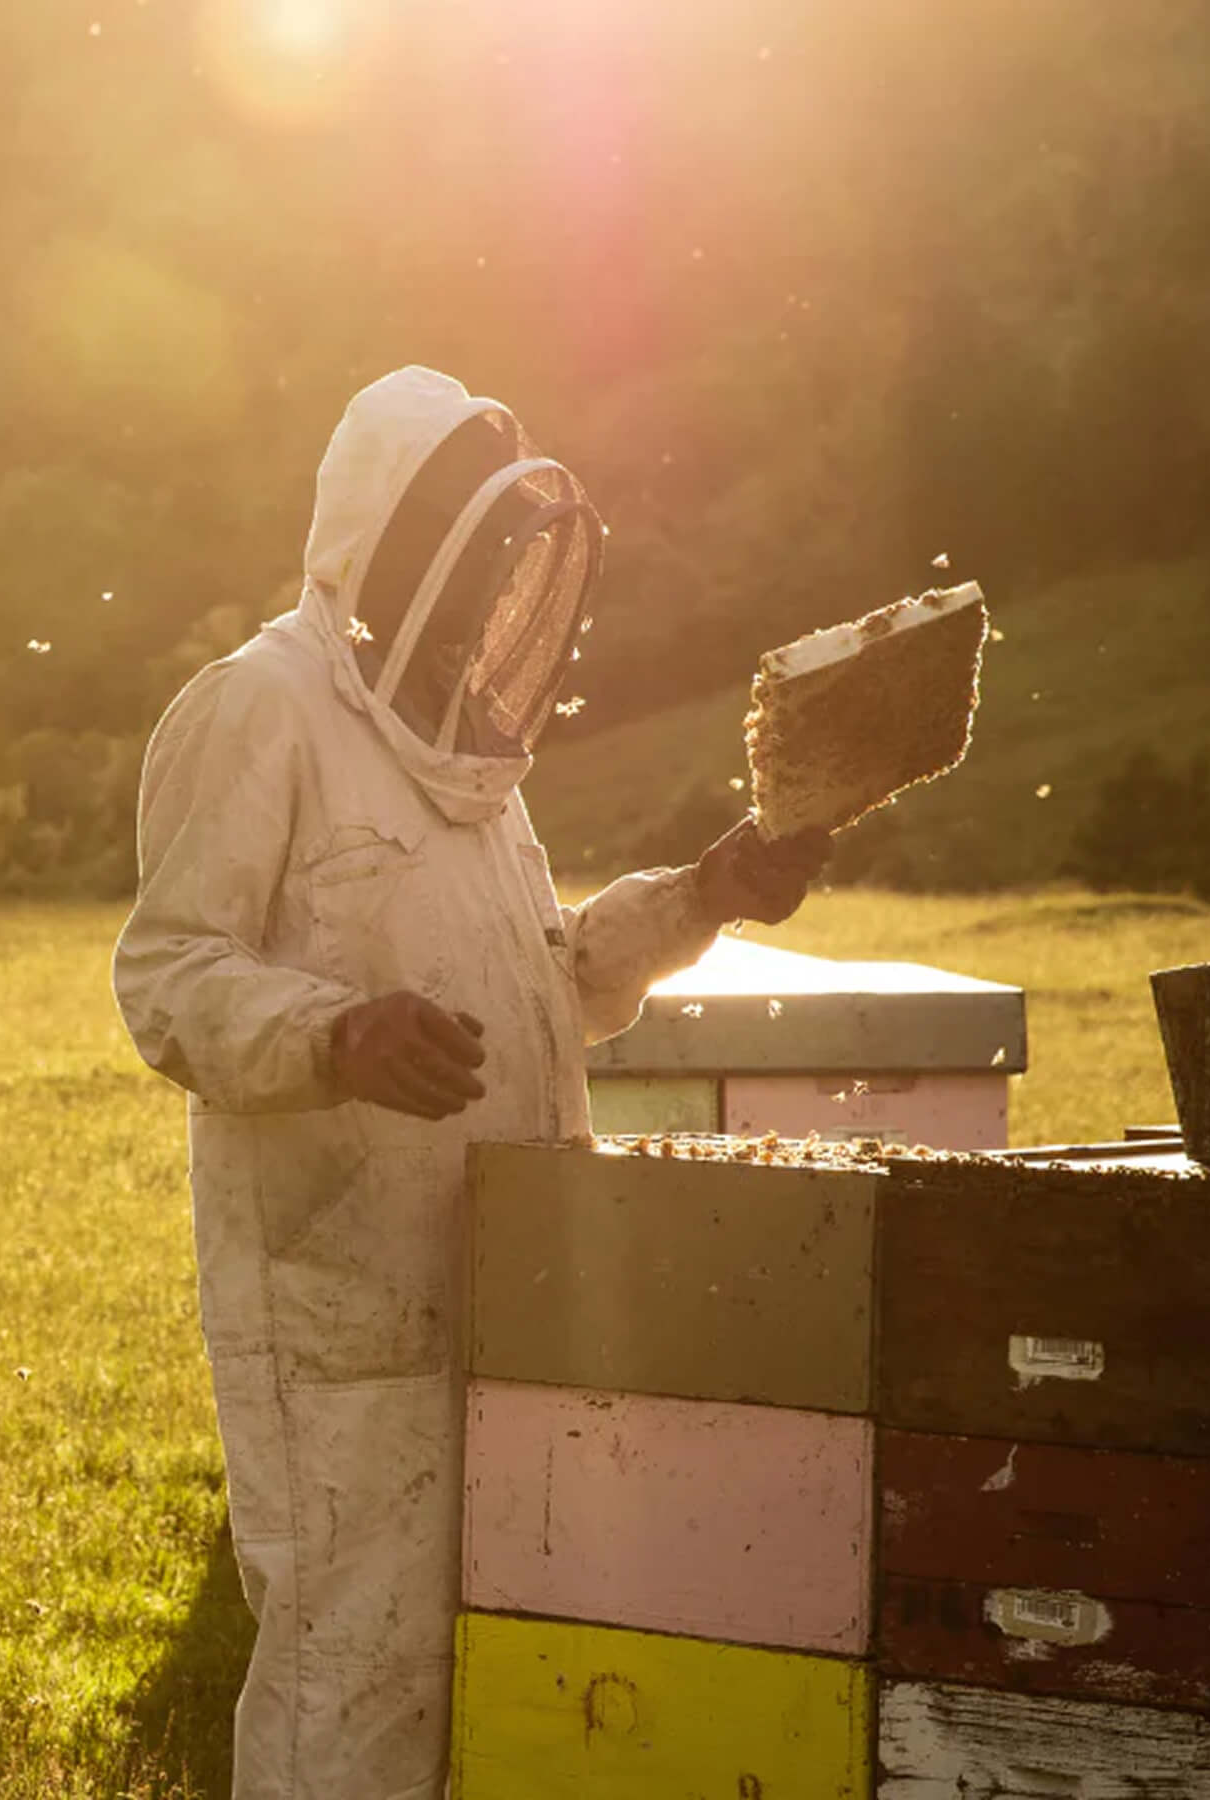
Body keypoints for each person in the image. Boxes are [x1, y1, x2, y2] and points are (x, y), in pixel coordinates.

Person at [109, 366, 830, 1799]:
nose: (489, 591)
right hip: (344, 1313)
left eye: (505, 557)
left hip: (515, 1296)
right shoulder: (258, 711)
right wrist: (334, 1034)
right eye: (466, 551)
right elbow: (170, 979)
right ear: (383, 544)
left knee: (493, 1683)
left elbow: (550, 987)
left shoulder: (470, 767)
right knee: (349, 1690)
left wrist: (707, 893)